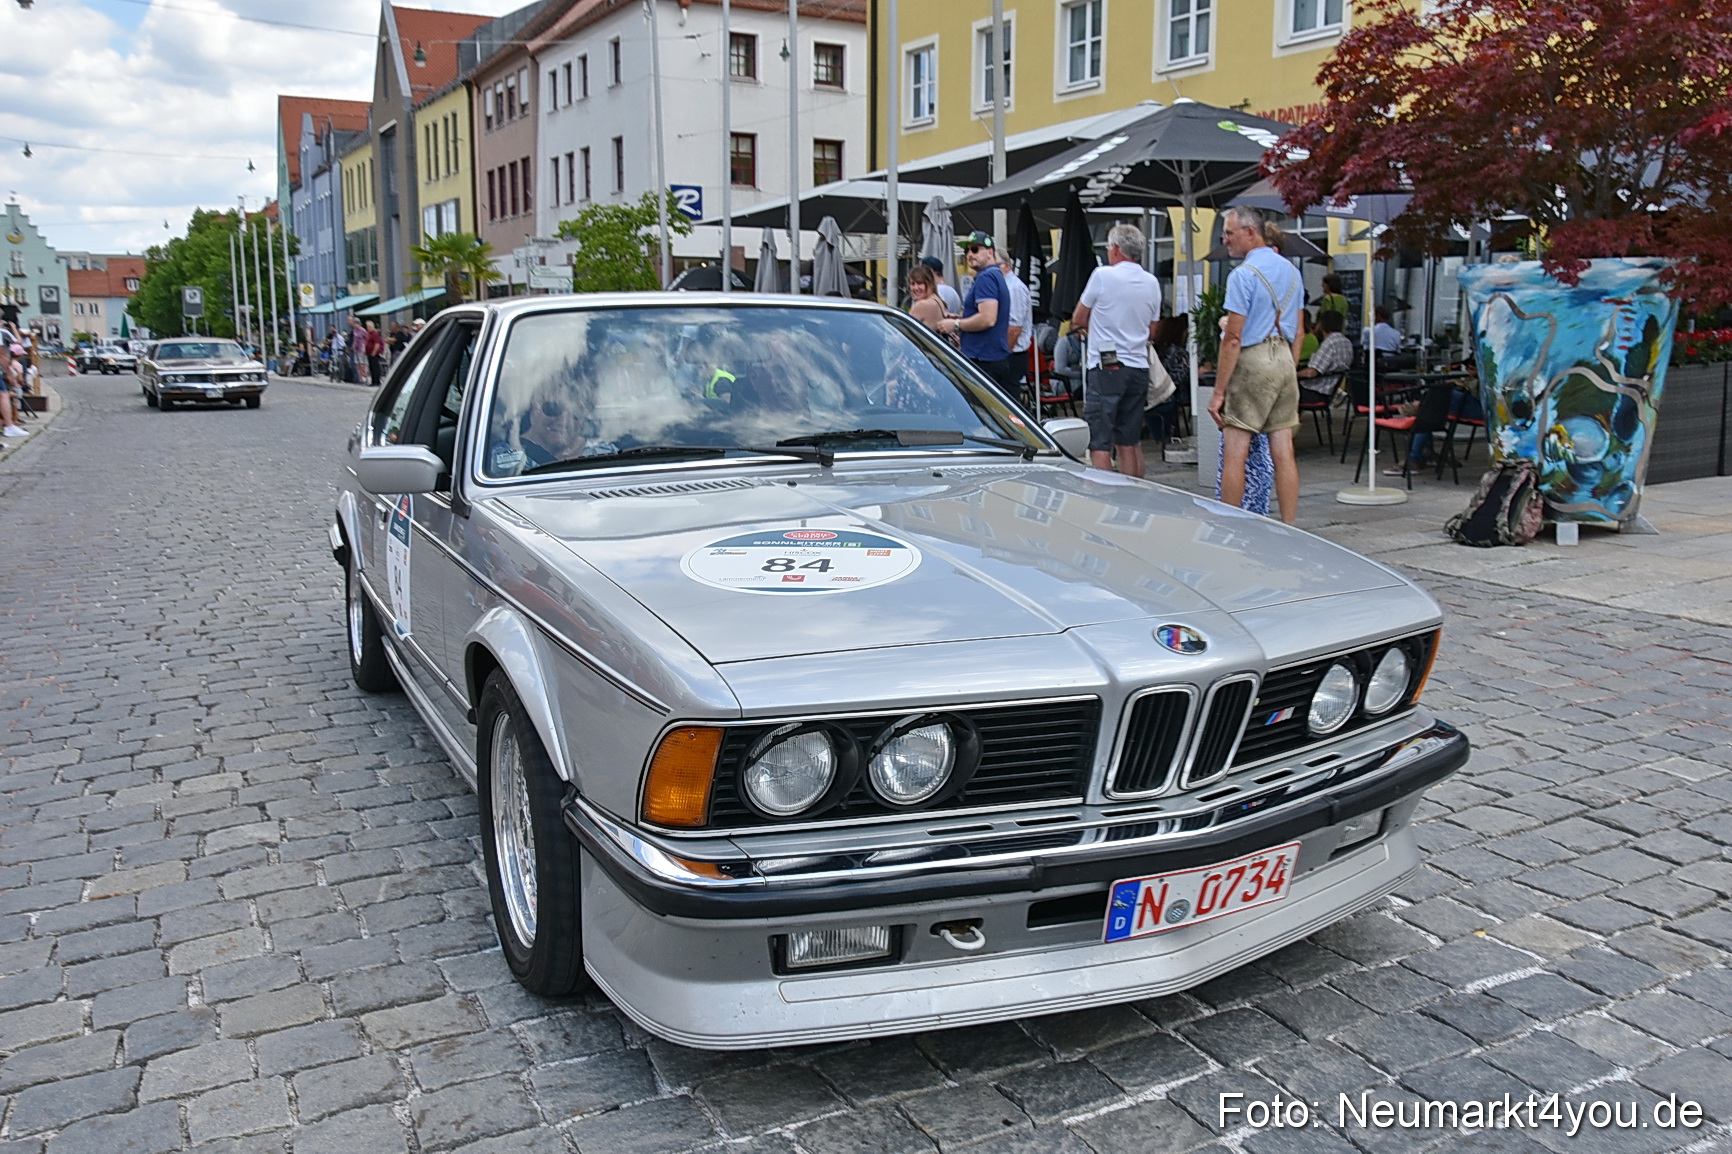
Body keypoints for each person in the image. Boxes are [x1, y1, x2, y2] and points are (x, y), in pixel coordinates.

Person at [1207, 205, 1304, 523]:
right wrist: (1290, 365)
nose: (1226, 240)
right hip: (1284, 358)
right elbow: (1300, 330)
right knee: (1283, 449)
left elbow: (1233, 337)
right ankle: (1290, 526)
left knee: (1236, 450)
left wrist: (1219, 392)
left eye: (1230, 233)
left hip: (1254, 360)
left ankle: (1230, 525)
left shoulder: (1243, 276)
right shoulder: (1292, 271)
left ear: (1251, 232)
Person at [1070, 223, 1163, 478]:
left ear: (1116, 249)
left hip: (1107, 364)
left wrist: (1093, 329)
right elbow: (1153, 331)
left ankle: (1107, 496)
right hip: (1138, 366)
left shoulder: (1103, 276)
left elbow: (1078, 318)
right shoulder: (1152, 282)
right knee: (1129, 440)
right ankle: (1135, 497)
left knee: (1100, 439)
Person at [936, 232, 1017, 397]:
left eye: (974, 249)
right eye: (967, 251)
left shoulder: (986, 278)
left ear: (990, 252)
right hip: (991, 357)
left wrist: (956, 325)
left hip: (983, 360)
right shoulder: (994, 275)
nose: (969, 255)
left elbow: (988, 319)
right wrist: (961, 319)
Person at [997, 250, 1033, 401]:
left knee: (1009, 398)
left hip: (1012, 354)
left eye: (995, 266)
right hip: (1009, 352)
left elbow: (1014, 328)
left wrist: (1003, 354)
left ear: (1006, 266)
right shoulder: (1006, 286)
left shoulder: (1014, 288)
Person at [1298, 309, 1353, 403]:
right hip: (1330, 389)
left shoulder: (1329, 343)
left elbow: (1311, 372)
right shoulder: (1346, 342)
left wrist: (1293, 375)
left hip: (1316, 391)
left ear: (1322, 324)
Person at [906, 265, 946, 333]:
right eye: (912, 284)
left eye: (920, 283)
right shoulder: (937, 300)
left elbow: (903, 333)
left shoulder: (922, 305)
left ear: (931, 284)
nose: (915, 288)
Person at [364, 322, 386, 387]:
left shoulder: (375, 334)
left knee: (375, 368)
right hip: (369, 353)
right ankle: (373, 381)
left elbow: (377, 344)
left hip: (374, 354)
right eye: (367, 327)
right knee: (371, 368)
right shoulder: (369, 334)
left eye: (369, 327)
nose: (368, 328)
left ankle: (376, 381)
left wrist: (374, 352)